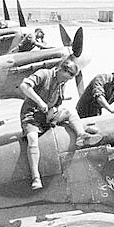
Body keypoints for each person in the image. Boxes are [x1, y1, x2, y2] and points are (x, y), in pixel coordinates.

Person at [20, 57, 102, 190]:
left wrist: (54, 110)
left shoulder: (61, 83)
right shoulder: (43, 74)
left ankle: (82, 135)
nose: (65, 81)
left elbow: (57, 103)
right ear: (59, 69)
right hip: (31, 116)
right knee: (32, 139)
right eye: (65, 77)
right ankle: (36, 177)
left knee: (71, 112)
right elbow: (24, 86)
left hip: (48, 115)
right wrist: (40, 102)